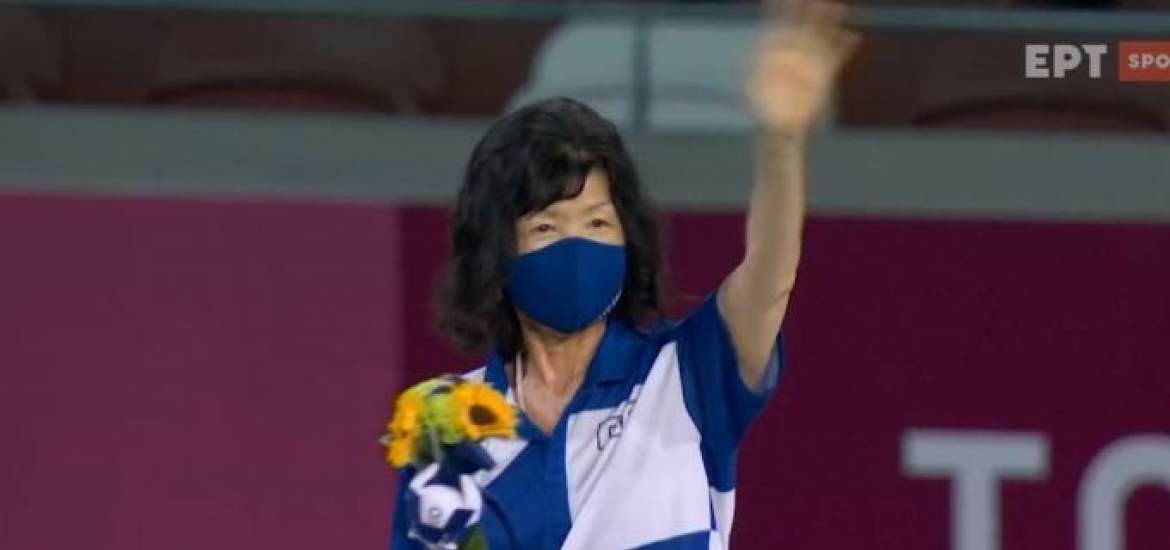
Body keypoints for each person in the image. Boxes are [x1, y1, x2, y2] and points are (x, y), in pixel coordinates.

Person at [390, 2, 858, 548]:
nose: (576, 247)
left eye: (597, 223)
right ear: (496, 250)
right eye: (546, 227)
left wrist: (781, 142)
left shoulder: (684, 373)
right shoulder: (444, 423)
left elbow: (769, 282)